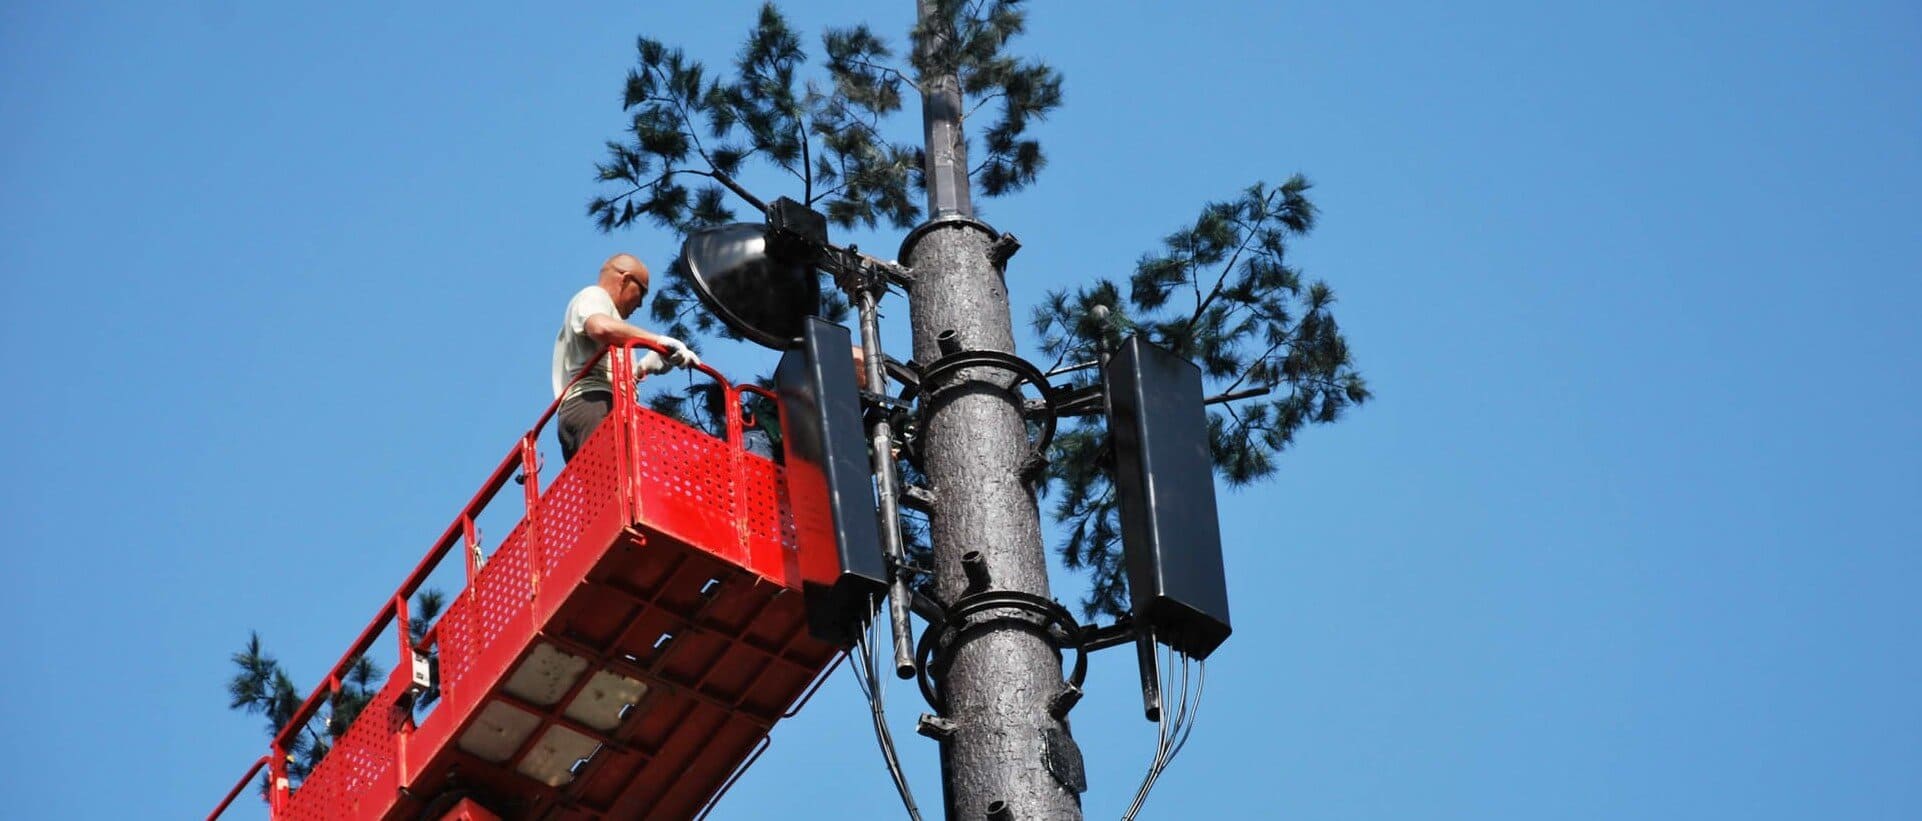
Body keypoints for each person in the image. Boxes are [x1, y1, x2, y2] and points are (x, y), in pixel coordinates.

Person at [552, 253, 702, 461]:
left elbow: (607, 365)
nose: (640, 305)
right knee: (615, 483)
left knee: (622, 484)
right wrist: (657, 341)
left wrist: (642, 368)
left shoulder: (617, 327)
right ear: (625, 279)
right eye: (641, 292)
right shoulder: (594, 296)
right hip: (594, 403)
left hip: (602, 403)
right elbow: (600, 328)